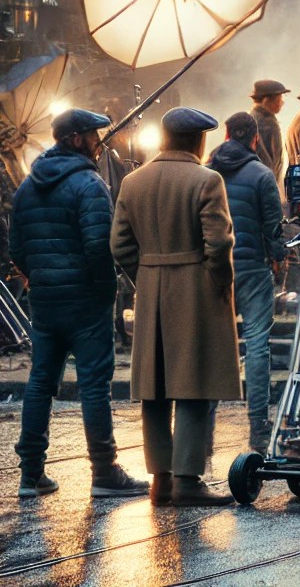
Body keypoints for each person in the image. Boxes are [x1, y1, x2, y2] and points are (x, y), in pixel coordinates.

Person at [11, 109, 148, 499]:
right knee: (93, 385)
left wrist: (38, 278)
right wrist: (107, 294)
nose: (98, 142)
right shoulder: (89, 185)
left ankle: (31, 475)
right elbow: (99, 248)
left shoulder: (27, 187)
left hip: (46, 301)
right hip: (86, 301)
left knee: (40, 381)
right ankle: (104, 472)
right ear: (74, 139)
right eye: (92, 135)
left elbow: (17, 247)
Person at [111, 107, 241, 507]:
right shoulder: (207, 179)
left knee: (155, 387)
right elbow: (218, 244)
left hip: (151, 289)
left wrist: (147, 273)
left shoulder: (133, 182)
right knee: (193, 385)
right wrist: (219, 282)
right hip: (195, 290)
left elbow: (119, 245)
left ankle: (160, 481)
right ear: (199, 141)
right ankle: (187, 480)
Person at [207, 112, 286, 453]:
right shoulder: (262, 175)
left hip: (213, 269)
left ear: (226, 134)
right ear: (255, 139)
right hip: (252, 269)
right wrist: (278, 257)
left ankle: (204, 424)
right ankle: (258, 425)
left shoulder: (206, 171)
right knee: (256, 344)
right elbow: (273, 225)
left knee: (211, 346)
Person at [249, 79, 290, 184]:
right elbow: (264, 158)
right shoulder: (265, 122)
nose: (282, 102)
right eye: (279, 98)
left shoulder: (256, 118)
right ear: (266, 100)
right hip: (264, 184)